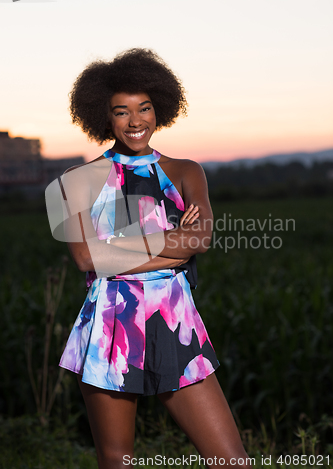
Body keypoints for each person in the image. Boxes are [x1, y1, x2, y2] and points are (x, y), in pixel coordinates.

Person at [48, 48, 252, 468]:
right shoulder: (75, 181)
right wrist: (171, 243)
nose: (135, 121)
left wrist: (117, 246)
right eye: (121, 112)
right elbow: (86, 258)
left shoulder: (186, 171)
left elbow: (201, 240)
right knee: (117, 461)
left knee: (232, 460)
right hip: (110, 328)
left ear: (160, 108)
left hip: (176, 324)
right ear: (105, 117)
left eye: (144, 108)